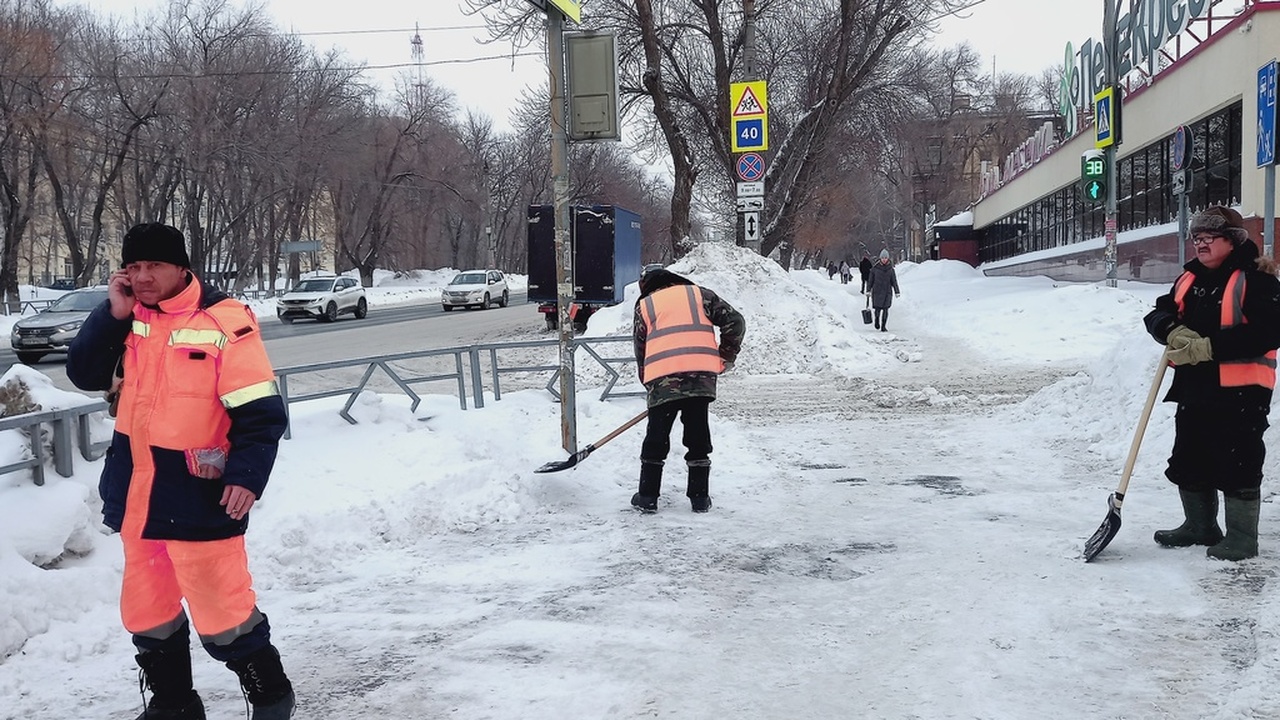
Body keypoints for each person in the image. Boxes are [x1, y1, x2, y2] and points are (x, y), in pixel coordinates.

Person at [66, 223, 295, 719]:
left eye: (154, 266)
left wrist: (246, 476)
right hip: (137, 494)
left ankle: (271, 697)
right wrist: (113, 312)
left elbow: (261, 413)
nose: (143, 276)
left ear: (180, 267)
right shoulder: (130, 316)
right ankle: (174, 704)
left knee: (224, 611)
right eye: (135, 267)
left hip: (199, 492)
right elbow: (83, 374)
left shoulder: (224, 322)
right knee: (148, 610)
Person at [1142, 206, 1280, 561]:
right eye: (1196, 238)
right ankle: (1200, 525)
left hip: (1241, 391)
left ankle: (1241, 538)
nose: (1200, 245)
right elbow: (1156, 312)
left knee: (1238, 461)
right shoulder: (1189, 279)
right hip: (1194, 387)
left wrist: (1210, 347)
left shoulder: (1258, 280)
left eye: (1208, 238)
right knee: (1189, 456)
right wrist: (1173, 329)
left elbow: (1270, 330)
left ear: (1232, 241)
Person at [631, 267, 745, 513]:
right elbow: (735, 322)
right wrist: (726, 355)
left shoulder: (645, 306)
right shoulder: (700, 295)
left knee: (656, 437)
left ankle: (648, 497)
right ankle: (699, 498)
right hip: (699, 376)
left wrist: (648, 382)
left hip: (662, 379)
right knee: (698, 435)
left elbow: (640, 348)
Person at [866, 249, 900, 332]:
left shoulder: (891, 270)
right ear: (880, 258)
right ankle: (877, 320)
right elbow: (870, 280)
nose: (884, 259)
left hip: (887, 292)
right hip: (877, 291)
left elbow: (894, 281)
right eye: (883, 258)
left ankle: (883, 326)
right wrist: (868, 290)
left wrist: (897, 291)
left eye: (886, 258)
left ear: (888, 259)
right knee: (877, 309)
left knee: (886, 309)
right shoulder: (875, 269)